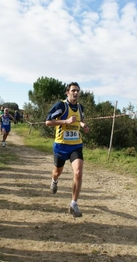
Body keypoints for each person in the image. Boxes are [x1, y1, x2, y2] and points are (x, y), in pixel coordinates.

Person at [45, 82, 90, 218]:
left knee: (78, 172)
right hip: (61, 145)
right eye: (73, 90)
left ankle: (73, 204)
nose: (75, 93)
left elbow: (80, 120)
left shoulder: (80, 107)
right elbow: (48, 122)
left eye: (77, 91)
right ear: (67, 92)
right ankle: (54, 180)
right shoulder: (61, 106)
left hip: (76, 145)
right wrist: (66, 122)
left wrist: (84, 125)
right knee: (58, 171)